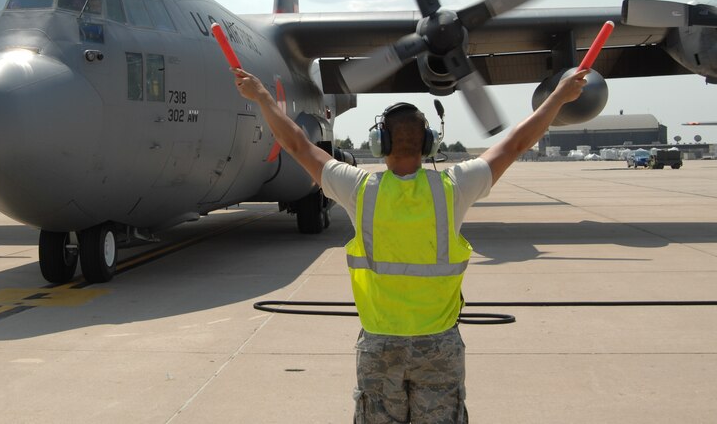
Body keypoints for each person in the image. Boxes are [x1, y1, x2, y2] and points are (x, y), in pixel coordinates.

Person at [231, 66, 589, 423]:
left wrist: (262, 96)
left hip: (379, 344)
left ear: (379, 143)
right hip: (439, 344)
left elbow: (296, 143)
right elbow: (516, 143)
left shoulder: (359, 189)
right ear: (428, 143)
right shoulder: (454, 188)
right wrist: (558, 97)